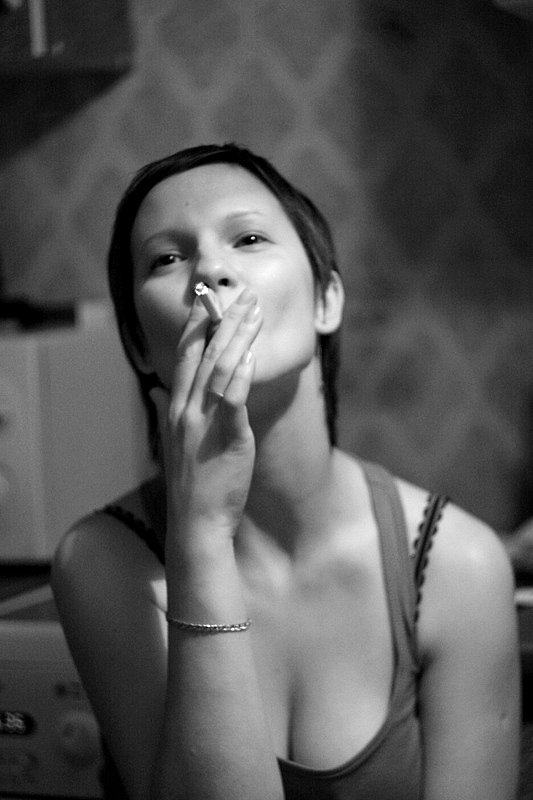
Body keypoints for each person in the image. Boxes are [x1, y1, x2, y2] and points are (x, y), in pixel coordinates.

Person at [51, 143, 520, 800]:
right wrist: (200, 535)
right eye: (166, 259)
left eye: (247, 239)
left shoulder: (456, 568)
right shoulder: (104, 563)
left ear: (326, 298)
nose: (210, 271)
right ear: (138, 344)